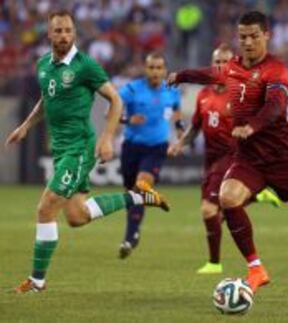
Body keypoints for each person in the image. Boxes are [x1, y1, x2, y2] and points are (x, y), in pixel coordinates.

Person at [168, 11, 288, 297]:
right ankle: (256, 268)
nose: (247, 42)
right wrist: (180, 76)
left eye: (254, 36)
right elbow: (208, 74)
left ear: (266, 36)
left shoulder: (276, 70)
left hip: (282, 158)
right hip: (249, 159)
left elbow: (275, 106)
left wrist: (252, 125)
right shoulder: (232, 67)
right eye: (243, 36)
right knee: (227, 198)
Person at [4, 10, 168, 293]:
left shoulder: (85, 66)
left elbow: (115, 100)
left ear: (75, 33)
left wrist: (106, 139)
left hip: (80, 147)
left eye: (68, 30)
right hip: (61, 148)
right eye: (58, 31)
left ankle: (37, 280)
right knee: (77, 217)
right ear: (49, 34)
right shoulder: (43, 64)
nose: (64, 35)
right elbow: (47, 98)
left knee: (46, 207)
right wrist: (26, 125)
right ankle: (138, 196)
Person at [168, 44, 281, 274]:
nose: (220, 66)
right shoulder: (203, 94)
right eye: (216, 62)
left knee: (209, 210)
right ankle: (256, 196)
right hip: (210, 159)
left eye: (224, 62)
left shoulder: (240, 93)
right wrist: (181, 143)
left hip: (233, 157)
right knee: (216, 214)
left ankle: (214, 263)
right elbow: (196, 127)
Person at [117, 53, 183, 259]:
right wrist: (127, 119)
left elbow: (176, 110)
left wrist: (180, 134)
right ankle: (134, 233)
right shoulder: (131, 90)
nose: (155, 72)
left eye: (159, 68)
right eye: (151, 68)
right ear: (145, 69)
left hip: (157, 147)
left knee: (141, 185)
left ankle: (128, 238)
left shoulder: (171, 91)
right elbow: (112, 111)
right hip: (132, 147)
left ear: (164, 70)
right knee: (132, 195)